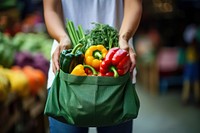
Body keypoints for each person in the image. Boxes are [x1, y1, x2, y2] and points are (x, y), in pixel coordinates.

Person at [43, 0, 142, 132]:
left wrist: (123, 38)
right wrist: (62, 38)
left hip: (116, 62)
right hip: (68, 67)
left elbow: (134, 4)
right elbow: (51, 9)